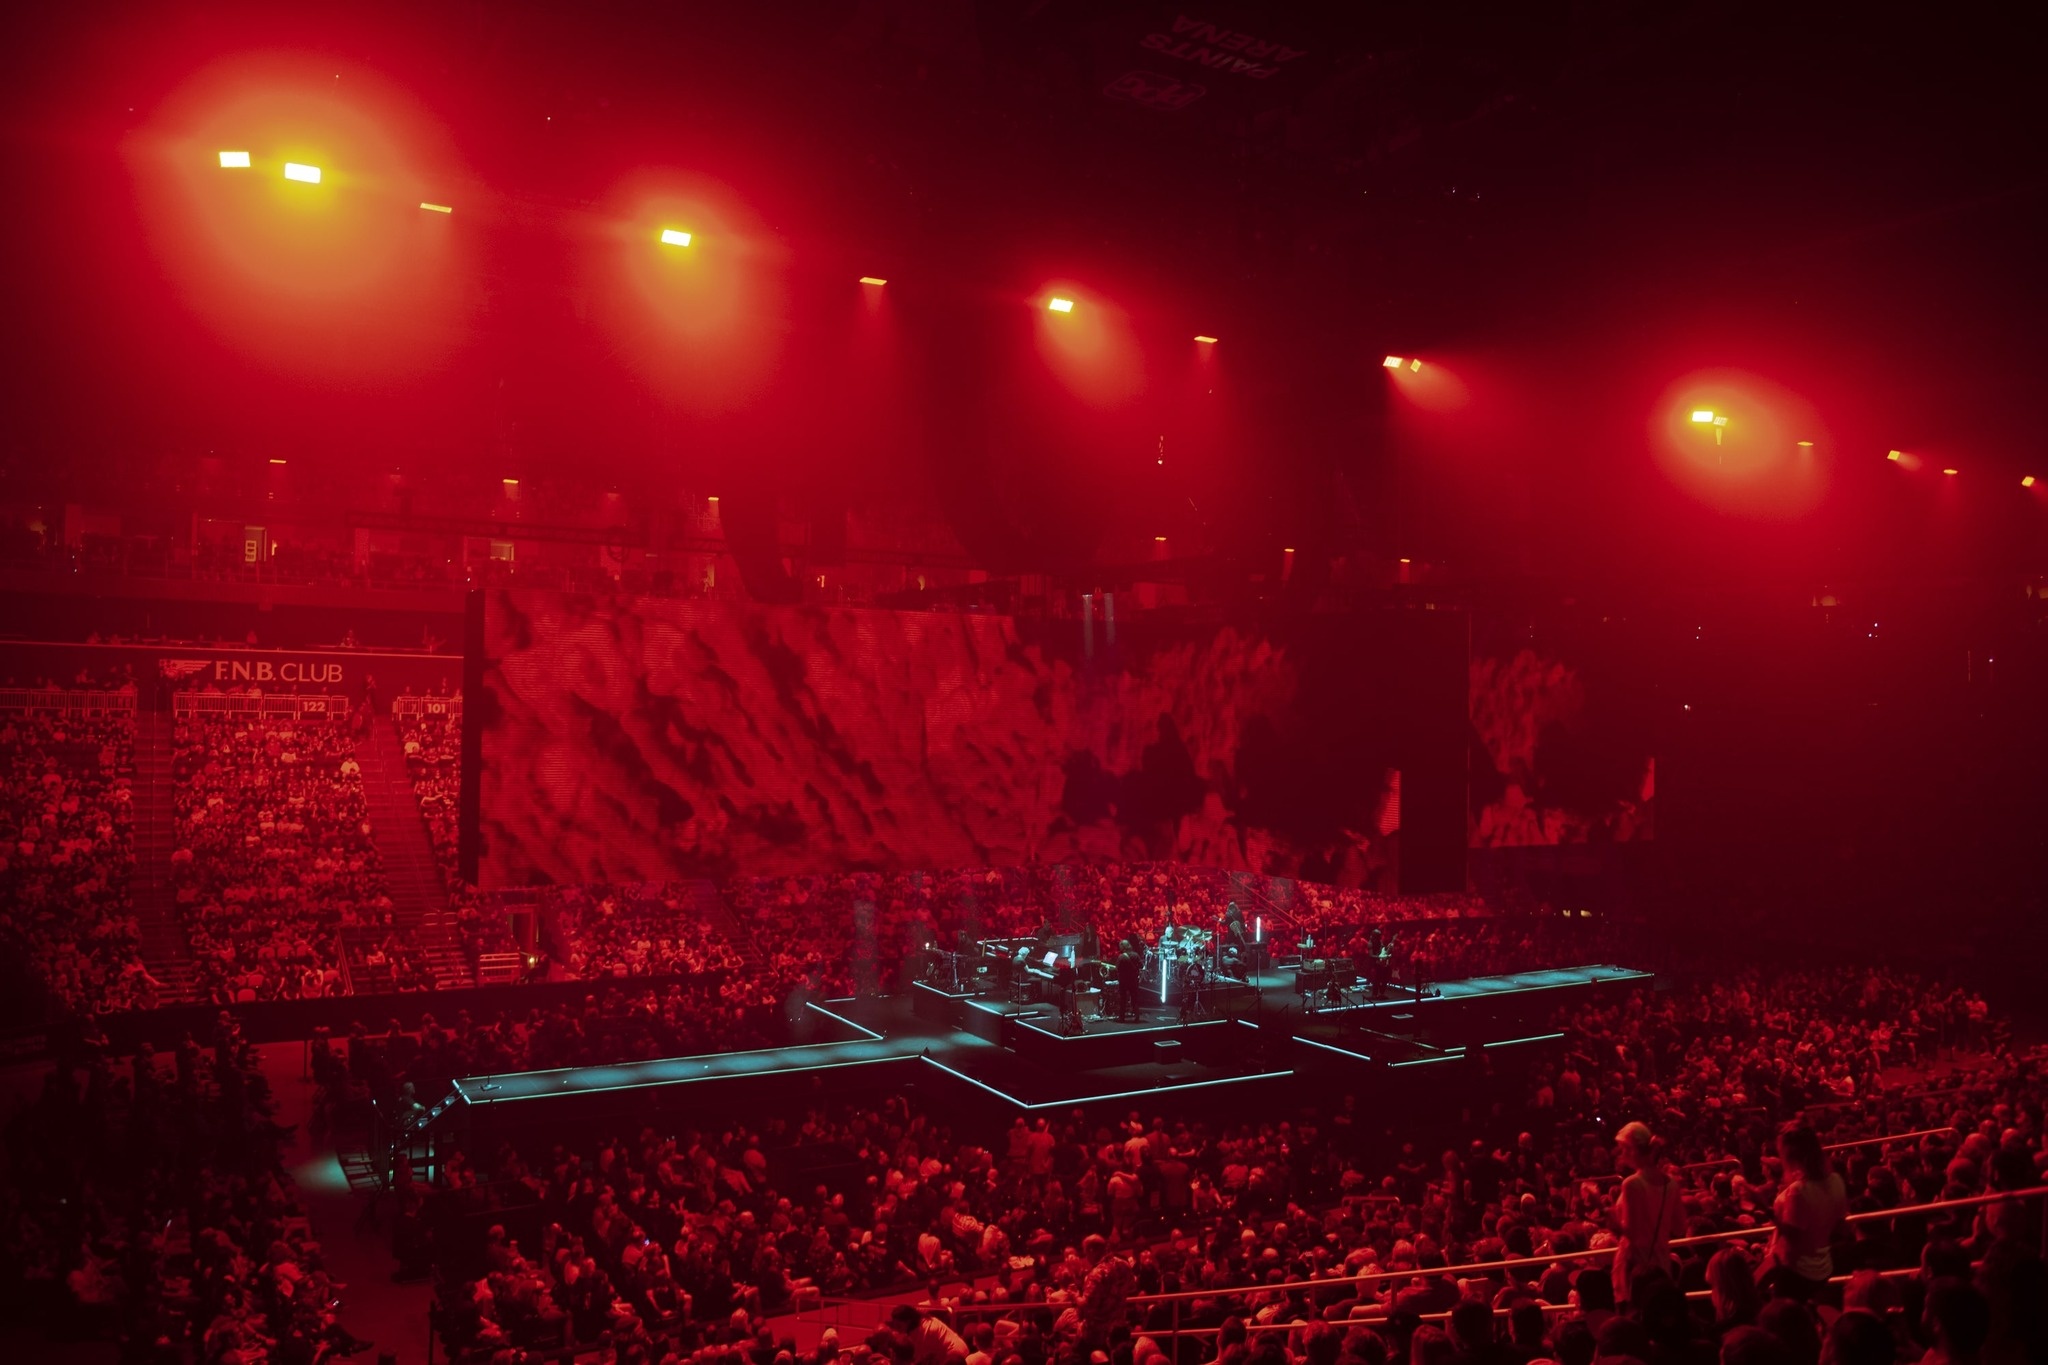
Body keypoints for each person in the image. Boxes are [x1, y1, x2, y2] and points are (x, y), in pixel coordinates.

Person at [1765, 1121, 1849, 1301]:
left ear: (1789, 1154)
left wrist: (1767, 1210)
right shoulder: (1835, 1180)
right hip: (1824, 1263)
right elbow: (1839, 1223)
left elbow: (1793, 1238)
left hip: (1797, 1271)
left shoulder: (1799, 1190)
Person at [1610, 1121, 1682, 1304]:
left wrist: (1613, 1224)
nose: (1621, 1153)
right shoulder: (1672, 1184)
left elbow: (1632, 1233)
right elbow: (1680, 1228)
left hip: (1635, 1267)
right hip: (1662, 1263)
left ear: (1633, 1149)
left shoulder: (1631, 1184)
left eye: (1624, 1149)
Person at [1116, 939, 1144, 1022]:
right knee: (1134, 999)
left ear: (1123, 947)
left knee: (1123, 999)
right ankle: (1137, 1016)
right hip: (1133, 980)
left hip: (1123, 981)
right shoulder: (1135, 955)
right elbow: (1141, 966)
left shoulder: (1121, 957)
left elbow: (1117, 968)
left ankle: (1122, 1018)